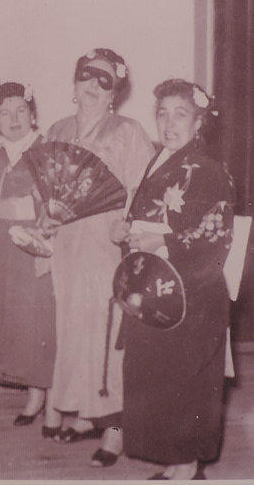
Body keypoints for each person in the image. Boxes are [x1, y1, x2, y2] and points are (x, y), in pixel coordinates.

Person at [112, 79, 234, 480]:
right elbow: (144, 214)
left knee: (187, 378)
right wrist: (126, 229)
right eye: (162, 113)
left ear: (199, 121)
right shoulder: (160, 159)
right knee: (158, 377)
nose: (169, 122)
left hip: (193, 292)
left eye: (180, 114)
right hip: (159, 288)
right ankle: (174, 461)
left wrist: (161, 237)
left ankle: (188, 466)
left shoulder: (210, 169)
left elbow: (215, 231)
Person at [43, 49, 154, 467]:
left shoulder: (129, 132)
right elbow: (48, 190)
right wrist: (46, 220)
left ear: (115, 93)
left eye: (104, 80)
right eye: (87, 77)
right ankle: (88, 414)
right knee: (73, 332)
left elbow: (142, 194)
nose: (92, 86)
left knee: (106, 335)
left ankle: (115, 428)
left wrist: (125, 226)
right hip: (67, 247)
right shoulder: (57, 129)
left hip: (106, 247)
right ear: (74, 83)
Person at [0, 82, 56, 427]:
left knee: (41, 319)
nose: (14, 119)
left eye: (21, 111)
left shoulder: (47, 150)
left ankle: (51, 398)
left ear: (33, 114)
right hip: (7, 247)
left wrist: (43, 235)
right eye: (4, 113)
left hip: (37, 244)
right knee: (18, 320)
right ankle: (32, 394)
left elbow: (56, 203)